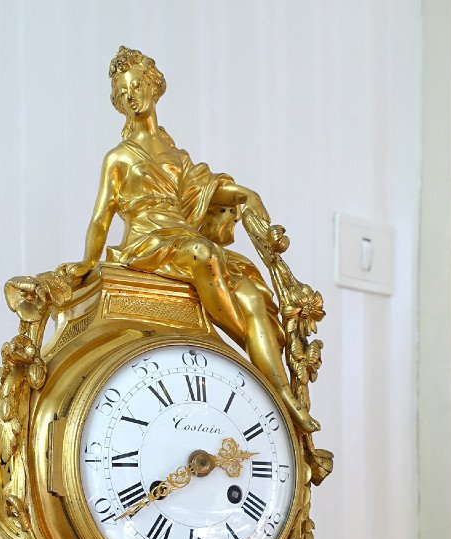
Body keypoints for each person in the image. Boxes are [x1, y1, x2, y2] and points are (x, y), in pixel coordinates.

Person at [70, 47, 319, 435]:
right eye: (123, 92)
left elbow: (210, 192)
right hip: (147, 242)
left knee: (253, 294)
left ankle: (282, 393)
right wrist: (88, 260)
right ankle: (239, 348)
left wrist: (250, 203)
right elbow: (102, 216)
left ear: (154, 87)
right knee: (205, 254)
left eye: (136, 86)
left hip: (182, 238)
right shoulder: (118, 157)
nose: (131, 96)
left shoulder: (177, 156)